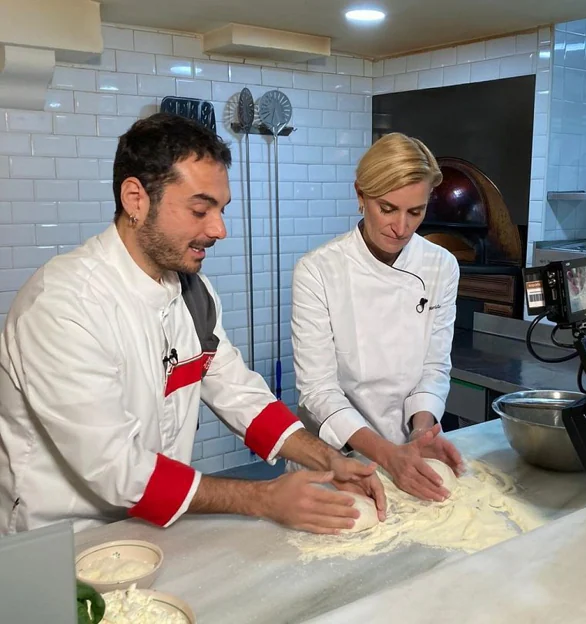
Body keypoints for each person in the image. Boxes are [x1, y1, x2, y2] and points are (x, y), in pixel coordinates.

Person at [0, 113, 385, 535]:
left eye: (220, 209)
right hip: (64, 539)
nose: (219, 229)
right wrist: (262, 498)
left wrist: (329, 458)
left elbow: (238, 392)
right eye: (200, 210)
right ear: (136, 198)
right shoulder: (63, 306)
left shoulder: (191, 293)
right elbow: (116, 469)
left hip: (155, 520)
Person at [291, 132, 464, 503]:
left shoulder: (441, 266)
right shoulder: (318, 270)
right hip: (335, 459)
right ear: (360, 196)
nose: (401, 228)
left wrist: (421, 434)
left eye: (415, 212)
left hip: (407, 453)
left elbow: (434, 366)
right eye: (387, 208)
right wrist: (386, 454)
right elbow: (318, 391)